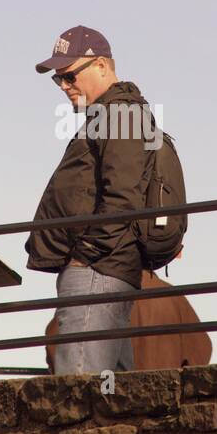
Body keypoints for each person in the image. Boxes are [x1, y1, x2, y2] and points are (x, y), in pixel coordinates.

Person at [27, 26, 157, 375]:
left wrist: (85, 258)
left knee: (80, 390)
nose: (65, 87)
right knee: (110, 393)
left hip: (98, 270)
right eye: (58, 80)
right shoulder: (111, 114)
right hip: (104, 268)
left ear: (101, 65)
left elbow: (123, 198)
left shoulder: (120, 113)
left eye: (69, 76)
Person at [43, 251, 211, 371]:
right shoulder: (173, 298)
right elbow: (201, 354)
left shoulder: (95, 291)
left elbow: (56, 341)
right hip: (163, 402)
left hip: (109, 394)